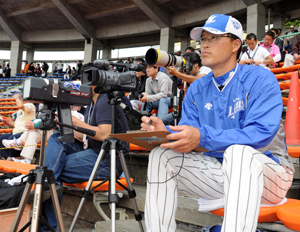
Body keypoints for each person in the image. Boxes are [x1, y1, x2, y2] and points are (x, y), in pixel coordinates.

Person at [141, 14, 294, 232]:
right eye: (203, 39)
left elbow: (260, 135)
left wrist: (202, 137)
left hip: (270, 174)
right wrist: (167, 132)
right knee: (161, 155)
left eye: (213, 38)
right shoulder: (196, 88)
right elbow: (192, 136)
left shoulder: (260, 78)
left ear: (235, 44)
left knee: (238, 153)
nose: (204, 44)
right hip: (221, 172)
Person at [41, 85, 129, 230]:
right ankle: (47, 187)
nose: (80, 86)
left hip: (106, 161)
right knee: (57, 139)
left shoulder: (105, 101)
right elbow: (87, 136)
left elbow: (104, 135)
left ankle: (48, 226)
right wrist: (63, 125)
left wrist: (79, 124)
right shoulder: (93, 103)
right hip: (93, 150)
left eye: (84, 81)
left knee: (50, 173)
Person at [0, 94, 36, 159]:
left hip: (24, 132)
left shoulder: (30, 105)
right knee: (1, 138)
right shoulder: (20, 110)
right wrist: (7, 122)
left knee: (11, 138)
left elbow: (20, 105)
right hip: (16, 131)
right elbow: (16, 124)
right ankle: (6, 159)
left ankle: (14, 158)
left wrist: (16, 97)